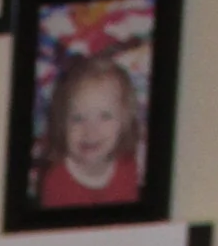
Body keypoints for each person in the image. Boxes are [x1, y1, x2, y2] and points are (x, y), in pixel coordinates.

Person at [36, 51, 142, 212]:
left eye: (105, 116)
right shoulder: (56, 183)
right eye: (78, 118)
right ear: (62, 122)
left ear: (124, 120)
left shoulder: (129, 165)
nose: (90, 131)